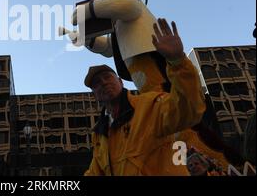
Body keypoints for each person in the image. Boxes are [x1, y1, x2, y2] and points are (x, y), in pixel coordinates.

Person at [84, 18, 206, 176]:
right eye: (97, 83)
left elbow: (188, 112)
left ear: (121, 82)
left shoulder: (150, 105)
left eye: (108, 77)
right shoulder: (100, 134)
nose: (104, 83)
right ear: (95, 95)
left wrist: (178, 61)